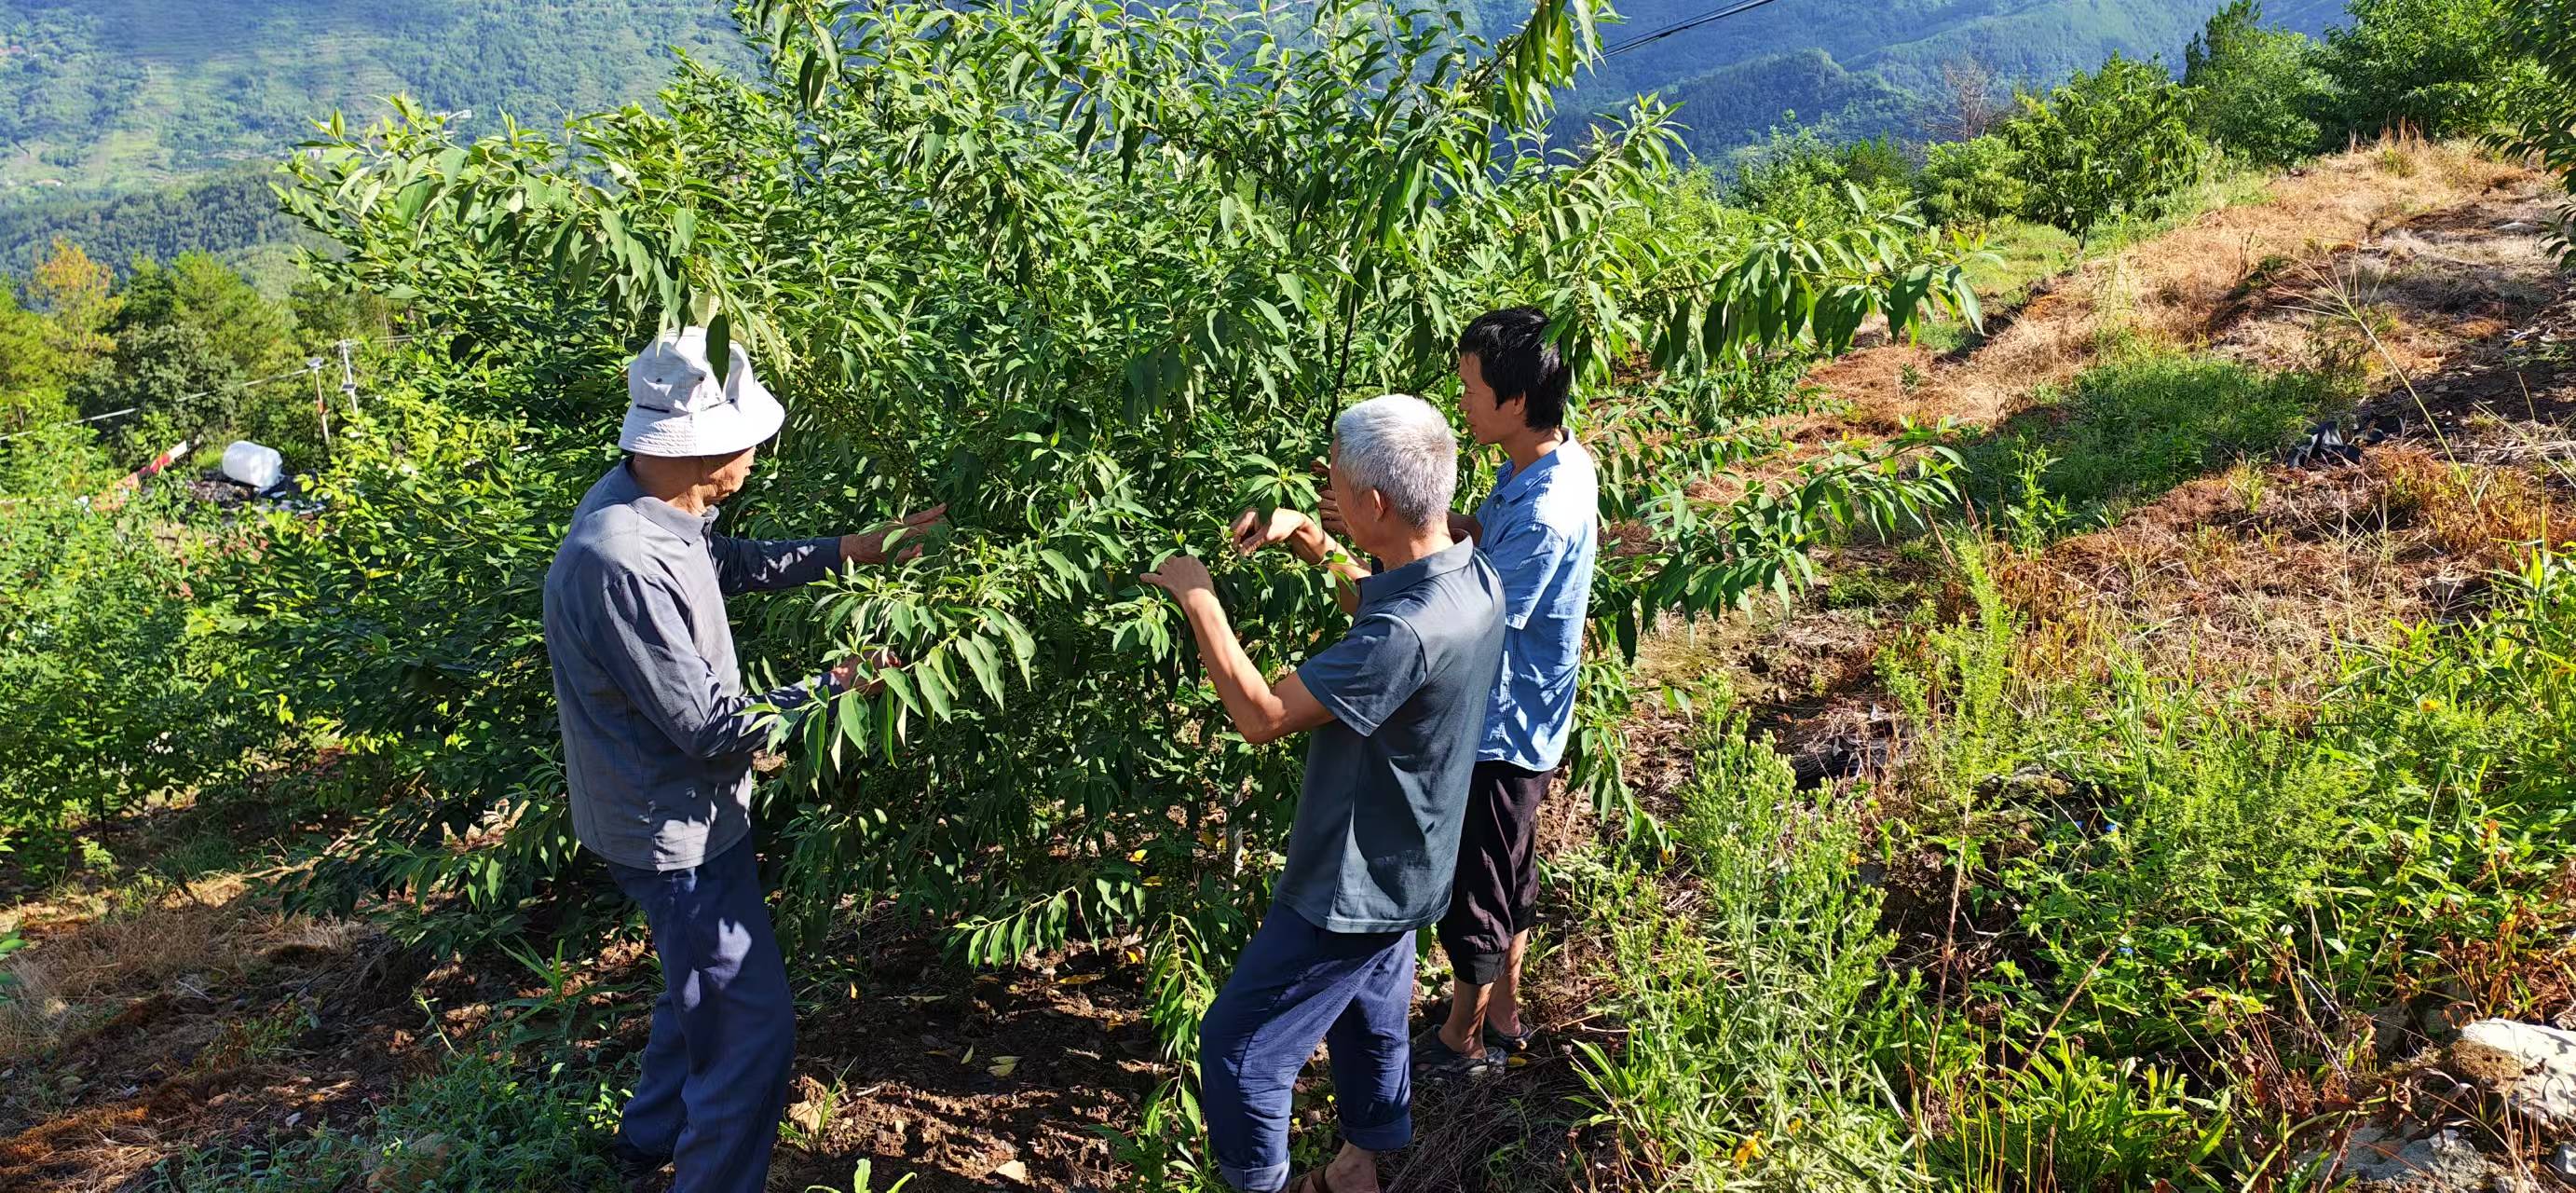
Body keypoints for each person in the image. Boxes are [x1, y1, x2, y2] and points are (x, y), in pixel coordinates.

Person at [540, 327, 942, 1193]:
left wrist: (854, 548)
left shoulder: (648, 510)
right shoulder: (618, 559)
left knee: (698, 995)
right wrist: (838, 688)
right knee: (749, 1031)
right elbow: (715, 729)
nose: (757, 455)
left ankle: (645, 1144)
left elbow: (725, 562)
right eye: (748, 443)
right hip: (669, 828)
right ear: (703, 452)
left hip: (684, 812)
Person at [1148, 393, 1504, 1193]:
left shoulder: (1405, 633)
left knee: (1239, 1049)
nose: (1327, 496)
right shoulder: (1469, 574)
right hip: (1411, 867)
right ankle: (1356, 1171)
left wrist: (1198, 596)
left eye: (1334, 487)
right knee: (1371, 1019)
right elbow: (1381, 612)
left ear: (1374, 504)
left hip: (1346, 885)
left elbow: (1262, 713)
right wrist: (1312, 545)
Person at [1316, 309, 1599, 1080]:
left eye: (1471, 387)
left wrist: (1351, 552)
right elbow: (1481, 545)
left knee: (1477, 891)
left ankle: (1460, 1044)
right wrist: (1423, 519)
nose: (1461, 400)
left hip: (1497, 729)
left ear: (1513, 402)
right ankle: (1503, 1015)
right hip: (1523, 715)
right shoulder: (1545, 463)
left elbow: (1458, 620)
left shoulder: (1544, 510)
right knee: (1509, 874)